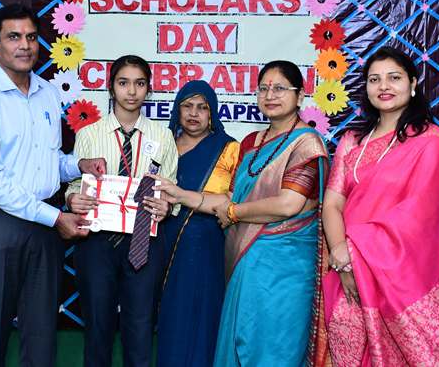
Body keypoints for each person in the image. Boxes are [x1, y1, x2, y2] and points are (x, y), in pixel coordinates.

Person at [321, 46, 439, 366]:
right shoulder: (352, 141)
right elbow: (332, 203)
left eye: (394, 78)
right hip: (345, 265)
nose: (384, 86)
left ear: (412, 83)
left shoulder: (429, 141)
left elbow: (424, 217)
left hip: (403, 277)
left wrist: (358, 251)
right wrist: (341, 256)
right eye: (375, 79)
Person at [0, 3, 106, 367]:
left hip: (44, 227)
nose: (25, 45)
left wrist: (78, 165)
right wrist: (55, 218)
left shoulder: (47, 93)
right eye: (13, 37)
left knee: (42, 332)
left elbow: (46, 161)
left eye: (32, 37)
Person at [160, 61, 328, 367]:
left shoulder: (307, 143)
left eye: (280, 88)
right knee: (241, 342)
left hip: (285, 268)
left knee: (275, 348)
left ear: (300, 96)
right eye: (264, 88)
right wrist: (180, 195)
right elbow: (228, 197)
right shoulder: (251, 142)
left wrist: (234, 212)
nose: (270, 95)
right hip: (243, 264)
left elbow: (288, 204)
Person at [66, 55, 178, 367]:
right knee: (97, 328)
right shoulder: (89, 134)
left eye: (139, 83)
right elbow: (74, 185)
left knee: (140, 329)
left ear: (149, 89)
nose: (131, 91)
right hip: (97, 241)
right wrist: (73, 200)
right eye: (123, 83)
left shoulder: (162, 136)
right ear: (111, 88)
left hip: (144, 242)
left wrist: (167, 205)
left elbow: (172, 189)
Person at [147, 80, 239, 367]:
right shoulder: (163, 146)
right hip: (161, 240)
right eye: (187, 106)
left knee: (202, 314)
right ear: (177, 109)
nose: (194, 113)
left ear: (212, 112)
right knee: (171, 315)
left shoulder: (228, 149)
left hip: (207, 244)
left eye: (202, 107)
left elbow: (235, 198)